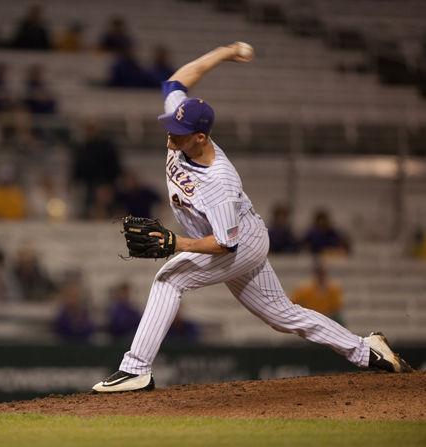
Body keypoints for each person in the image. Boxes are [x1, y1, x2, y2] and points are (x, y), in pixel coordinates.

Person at [92, 42, 413, 394]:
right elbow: (175, 82)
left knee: (170, 279)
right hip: (237, 235)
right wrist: (225, 52)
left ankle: (136, 369)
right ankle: (367, 350)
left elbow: (226, 244)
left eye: (178, 132)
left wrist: (174, 244)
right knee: (282, 315)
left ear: (200, 138)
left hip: (239, 242)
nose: (169, 134)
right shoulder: (183, 130)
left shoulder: (219, 181)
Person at [291, 261, 344, 325]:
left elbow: (336, 308)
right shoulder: (304, 289)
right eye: (319, 273)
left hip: (327, 320)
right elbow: (293, 302)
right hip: (310, 320)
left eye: (323, 273)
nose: (321, 276)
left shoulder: (333, 289)